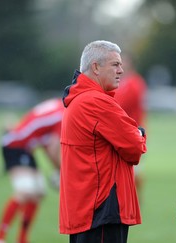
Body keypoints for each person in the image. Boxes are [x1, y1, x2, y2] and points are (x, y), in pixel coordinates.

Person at [59, 40, 147, 243]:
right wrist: (140, 134)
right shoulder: (97, 101)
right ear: (95, 67)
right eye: (115, 65)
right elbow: (135, 149)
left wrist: (135, 133)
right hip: (101, 208)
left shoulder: (80, 98)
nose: (121, 70)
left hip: (87, 208)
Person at [0, 98, 64, 243]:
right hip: (15, 145)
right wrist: (62, 173)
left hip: (26, 148)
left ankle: (22, 239)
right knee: (26, 192)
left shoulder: (58, 104)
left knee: (38, 193)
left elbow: (43, 137)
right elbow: (52, 148)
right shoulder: (63, 115)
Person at [114, 53, 147, 200]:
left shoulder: (134, 82)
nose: (120, 66)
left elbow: (120, 104)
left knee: (133, 169)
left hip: (132, 132)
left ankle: (133, 200)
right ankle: (130, 199)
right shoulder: (123, 82)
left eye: (122, 63)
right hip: (123, 132)